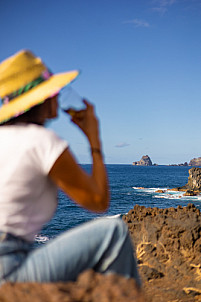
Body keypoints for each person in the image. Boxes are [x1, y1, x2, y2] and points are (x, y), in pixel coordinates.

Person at [0, 50, 141, 287]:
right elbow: (98, 202)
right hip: (8, 270)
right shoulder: (41, 141)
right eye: (53, 90)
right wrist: (94, 139)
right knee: (113, 232)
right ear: (42, 98)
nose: (58, 95)